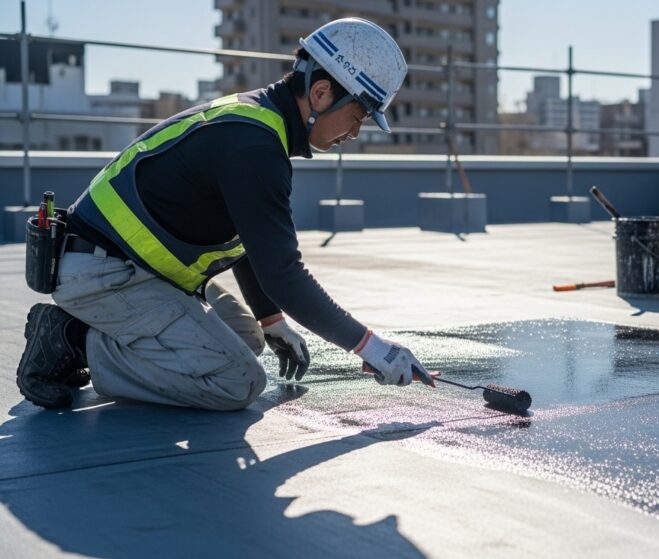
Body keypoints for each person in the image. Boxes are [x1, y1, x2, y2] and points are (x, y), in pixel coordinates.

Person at [15, 18, 436, 411]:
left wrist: (271, 322)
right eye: (358, 115)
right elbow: (283, 273)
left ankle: (98, 333)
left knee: (244, 339)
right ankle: (72, 339)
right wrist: (372, 349)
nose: (355, 133)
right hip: (101, 274)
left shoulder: (256, 126)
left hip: (130, 270)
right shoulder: (254, 147)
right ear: (322, 93)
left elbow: (250, 244)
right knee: (237, 380)